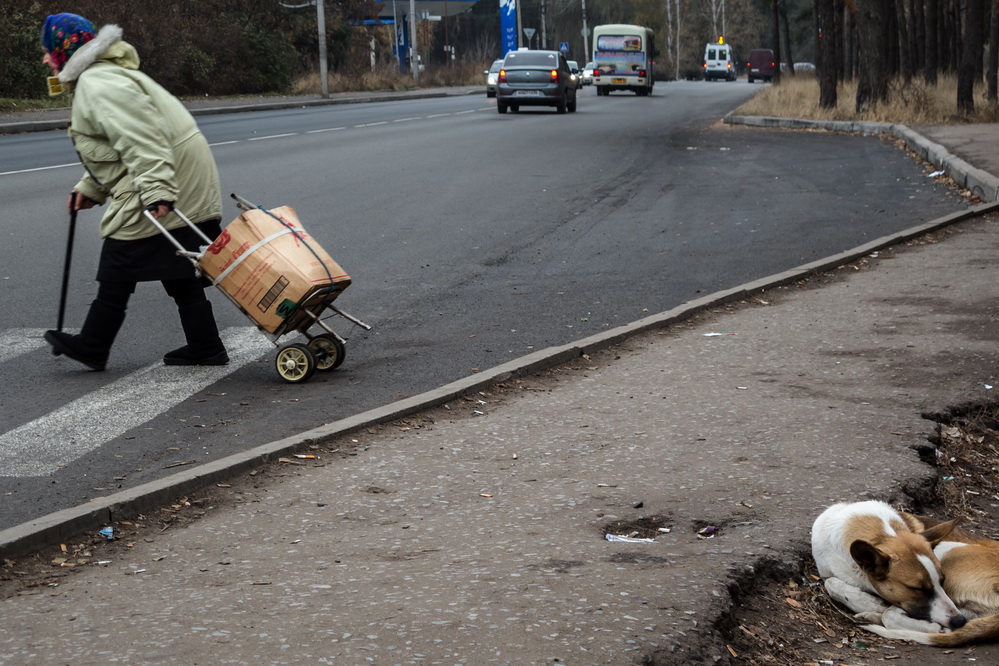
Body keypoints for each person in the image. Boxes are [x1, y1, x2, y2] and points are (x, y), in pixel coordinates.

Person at [40, 13, 228, 371]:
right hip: (182, 178)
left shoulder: (98, 82)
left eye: (49, 51)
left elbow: (141, 137)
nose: (46, 59)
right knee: (177, 260)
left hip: (171, 180)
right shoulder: (104, 77)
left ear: (66, 51)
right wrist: (91, 188)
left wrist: (158, 190)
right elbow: (116, 148)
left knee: (120, 255)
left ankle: (93, 345)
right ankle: (205, 345)